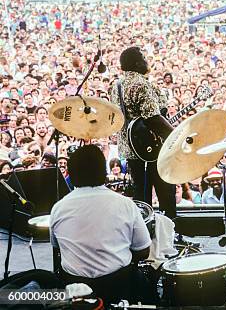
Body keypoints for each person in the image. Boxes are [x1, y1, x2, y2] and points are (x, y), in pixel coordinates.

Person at [49, 145, 155, 305]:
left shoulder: (58, 208)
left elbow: (57, 248)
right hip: (119, 284)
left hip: (74, 287)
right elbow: (144, 251)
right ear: (103, 172)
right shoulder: (125, 204)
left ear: (73, 174)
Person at [110, 47, 176, 218]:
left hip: (130, 149)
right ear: (137, 63)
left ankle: (143, 234)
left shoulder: (116, 86)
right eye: (144, 58)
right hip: (151, 150)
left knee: (141, 195)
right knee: (165, 189)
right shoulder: (141, 83)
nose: (147, 61)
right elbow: (153, 119)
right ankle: (170, 231)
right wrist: (177, 136)